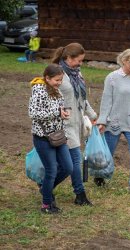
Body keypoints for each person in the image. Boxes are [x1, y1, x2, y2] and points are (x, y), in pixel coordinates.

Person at [52, 42, 97, 206]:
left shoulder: (77, 74)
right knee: (74, 161)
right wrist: (58, 112)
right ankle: (80, 194)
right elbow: (48, 98)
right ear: (67, 58)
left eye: (82, 61)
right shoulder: (57, 74)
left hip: (77, 122)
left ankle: (46, 186)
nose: (80, 64)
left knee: (66, 163)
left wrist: (92, 115)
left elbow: (82, 99)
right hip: (64, 124)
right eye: (78, 60)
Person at [96, 48, 130, 193]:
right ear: (124, 61)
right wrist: (102, 120)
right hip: (115, 121)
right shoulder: (112, 77)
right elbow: (106, 101)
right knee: (108, 153)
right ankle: (100, 176)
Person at [28, 64, 73, 214]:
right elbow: (33, 113)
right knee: (51, 170)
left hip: (58, 136)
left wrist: (63, 113)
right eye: (56, 80)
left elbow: (58, 111)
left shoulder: (56, 91)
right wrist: (56, 113)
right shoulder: (39, 90)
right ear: (47, 78)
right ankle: (46, 205)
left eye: (60, 80)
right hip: (43, 138)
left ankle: (44, 188)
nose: (59, 83)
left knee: (68, 167)